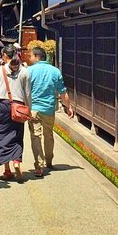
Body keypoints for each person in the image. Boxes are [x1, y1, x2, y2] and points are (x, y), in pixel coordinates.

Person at [27, 46, 74, 177]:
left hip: (34, 109)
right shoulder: (55, 71)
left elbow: (24, 90)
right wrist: (69, 107)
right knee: (49, 136)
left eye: (31, 55)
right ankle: (49, 160)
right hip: (49, 108)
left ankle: (39, 165)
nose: (29, 58)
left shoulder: (29, 71)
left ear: (37, 57)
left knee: (36, 136)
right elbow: (62, 91)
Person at [0, 45, 31, 181]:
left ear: (5, 56)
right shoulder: (24, 71)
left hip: (2, 106)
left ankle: (7, 170)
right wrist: (29, 109)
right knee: (17, 135)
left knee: (1, 136)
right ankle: (17, 162)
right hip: (18, 106)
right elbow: (28, 93)